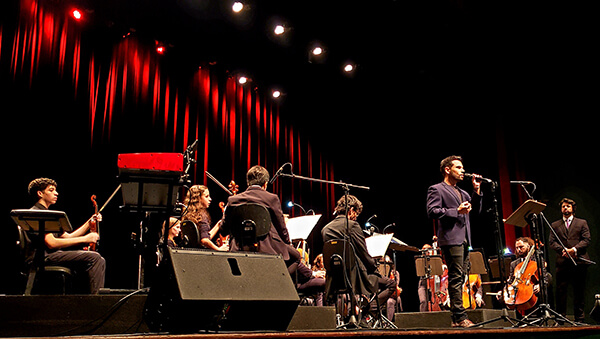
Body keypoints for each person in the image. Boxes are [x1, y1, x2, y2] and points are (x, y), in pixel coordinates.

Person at [224, 166, 323, 291]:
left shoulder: (233, 200)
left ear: (248, 182)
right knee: (296, 257)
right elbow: (281, 227)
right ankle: (279, 284)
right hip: (267, 249)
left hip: (239, 248)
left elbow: (224, 227)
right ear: (265, 184)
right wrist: (288, 243)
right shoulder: (271, 198)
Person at [426, 155, 482, 327]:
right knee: (456, 277)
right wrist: (455, 210)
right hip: (451, 239)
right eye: (458, 167)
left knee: (461, 277)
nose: (462, 171)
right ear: (447, 170)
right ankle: (460, 316)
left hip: (465, 239)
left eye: (462, 168)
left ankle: (455, 319)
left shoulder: (463, 192)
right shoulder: (437, 189)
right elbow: (432, 211)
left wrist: (477, 191)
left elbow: (476, 210)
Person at [321, 194, 396, 320]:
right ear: (351, 210)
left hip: (335, 279)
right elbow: (363, 253)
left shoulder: (325, 229)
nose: (356, 217)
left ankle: (361, 313)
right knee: (391, 284)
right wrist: (374, 268)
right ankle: (369, 311)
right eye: (356, 213)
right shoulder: (352, 226)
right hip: (354, 277)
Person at [27, 177, 106, 294]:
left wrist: (90, 223)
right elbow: (51, 243)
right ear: (40, 193)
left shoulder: (48, 214)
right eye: (51, 190)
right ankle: (96, 301)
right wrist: (85, 239)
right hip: (43, 257)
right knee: (94, 258)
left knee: (96, 258)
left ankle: (88, 298)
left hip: (51, 256)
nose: (56, 193)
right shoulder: (37, 213)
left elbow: (68, 237)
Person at [548, 198, 591, 323]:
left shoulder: (582, 222)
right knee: (561, 290)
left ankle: (580, 319)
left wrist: (574, 250)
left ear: (573, 208)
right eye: (563, 206)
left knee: (579, 290)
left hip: (579, 261)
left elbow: (587, 239)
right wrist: (564, 250)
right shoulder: (555, 225)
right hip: (562, 261)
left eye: (568, 206)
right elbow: (552, 242)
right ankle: (560, 318)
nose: (565, 208)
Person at [500, 237, 551, 316]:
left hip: (532, 288)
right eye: (517, 248)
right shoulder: (514, 264)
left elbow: (545, 277)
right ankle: (518, 319)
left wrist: (540, 285)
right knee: (506, 297)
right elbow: (511, 281)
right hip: (518, 288)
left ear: (529, 246)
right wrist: (504, 290)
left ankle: (541, 315)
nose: (519, 250)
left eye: (521, 247)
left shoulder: (537, 260)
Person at [182, 185, 228, 251]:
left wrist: (218, 224)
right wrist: (218, 249)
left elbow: (204, 238)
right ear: (198, 198)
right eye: (206, 196)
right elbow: (204, 240)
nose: (210, 199)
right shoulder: (201, 216)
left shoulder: (189, 214)